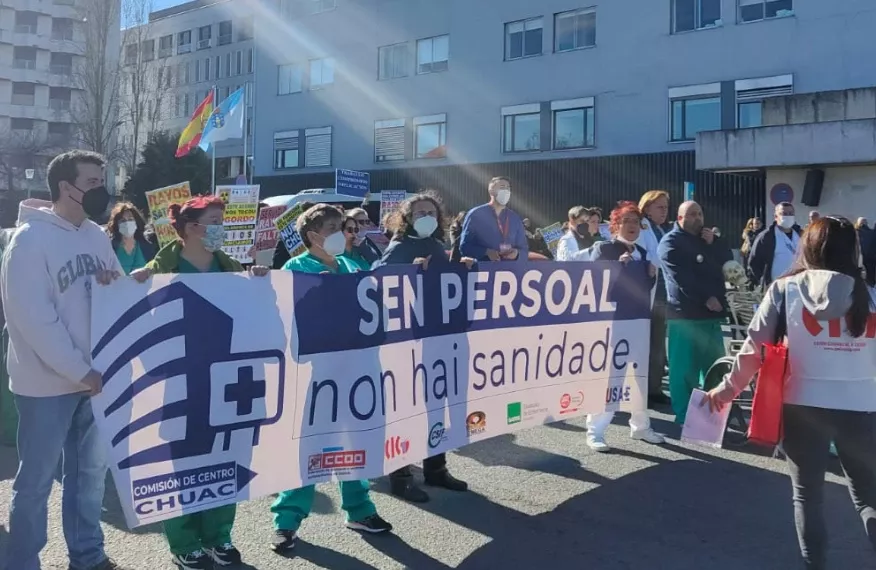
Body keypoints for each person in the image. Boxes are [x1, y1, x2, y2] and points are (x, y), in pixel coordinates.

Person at [702, 216, 876, 569]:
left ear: (807, 246)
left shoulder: (785, 289)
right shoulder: (869, 295)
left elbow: (753, 349)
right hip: (862, 408)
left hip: (802, 407)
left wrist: (726, 389)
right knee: (868, 498)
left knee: (808, 498)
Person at [0, 150, 130, 570]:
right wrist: (80, 370)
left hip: (95, 381)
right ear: (65, 188)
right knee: (36, 482)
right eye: (93, 182)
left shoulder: (95, 234)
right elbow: (36, 321)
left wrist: (115, 283)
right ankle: (22, 561)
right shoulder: (29, 242)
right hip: (47, 387)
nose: (102, 190)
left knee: (90, 477)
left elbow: (119, 291)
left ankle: (88, 556)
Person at [141, 195, 269, 570]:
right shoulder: (157, 270)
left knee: (226, 458)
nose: (222, 229)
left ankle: (218, 536)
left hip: (228, 383)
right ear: (192, 228)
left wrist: (258, 279)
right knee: (183, 461)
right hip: (180, 382)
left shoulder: (231, 269)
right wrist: (128, 284)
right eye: (216, 221)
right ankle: (184, 541)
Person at [272, 204, 392, 552]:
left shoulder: (354, 266)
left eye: (344, 226)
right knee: (309, 445)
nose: (345, 232)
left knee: (355, 442)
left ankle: (359, 509)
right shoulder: (295, 267)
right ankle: (287, 520)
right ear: (312, 235)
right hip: (314, 373)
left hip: (355, 370)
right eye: (334, 227)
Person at [372, 193, 473, 501]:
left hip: (439, 337)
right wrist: (405, 271)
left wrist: (466, 266)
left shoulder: (438, 246)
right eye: (419, 212)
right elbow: (376, 274)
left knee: (436, 404)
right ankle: (401, 475)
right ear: (408, 218)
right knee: (408, 407)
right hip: (409, 342)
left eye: (431, 211)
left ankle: (436, 467)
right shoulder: (401, 246)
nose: (426, 216)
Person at [584, 202, 666, 451]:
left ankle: (641, 426)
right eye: (627, 221)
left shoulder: (642, 252)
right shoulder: (603, 248)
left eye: (636, 222)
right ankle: (595, 430)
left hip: (639, 321)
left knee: (638, 376)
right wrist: (617, 266)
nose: (632, 226)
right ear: (616, 225)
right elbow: (595, 283)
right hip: (612, 322)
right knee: (609, 376)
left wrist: (651, 275)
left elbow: (644, 290)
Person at [658, 201, 732, 423]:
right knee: (684, 371)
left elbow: (726, 263)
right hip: (685, 315)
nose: (697, 218)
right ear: (679, 218)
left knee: (715, 366)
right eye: (691, 214)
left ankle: (713, 414)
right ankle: (685, 416)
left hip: (711, 315)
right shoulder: (671, 242)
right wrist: (705, 297)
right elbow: (681, 277)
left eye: (700, 213)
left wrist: (714, 243)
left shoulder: (708, 240)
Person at [636, 190, 673, 406]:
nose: (664, 211)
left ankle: (654, 385)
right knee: (654, 344)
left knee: (658, 344)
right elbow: (644, 254)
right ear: (647, 207)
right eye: (659, 207)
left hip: (662, 292)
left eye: (666, 207)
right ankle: (652, 389)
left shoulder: (660, 228)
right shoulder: (643, 227)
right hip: (651, 293)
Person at [459, 176, 528, 262]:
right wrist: (486, 252)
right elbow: (465, 246)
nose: (506, 191)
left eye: (508, 188)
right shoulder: (476, 215)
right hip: (484, 270)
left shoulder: (515, 218)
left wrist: (517, 254)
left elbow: (524, 250)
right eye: (502, 187)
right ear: (491, 191)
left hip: (510, 271)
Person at [749, 202, 803, 290]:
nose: (788, 217)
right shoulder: (766, 236)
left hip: (799, 285)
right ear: (776, 216)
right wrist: (763, 281)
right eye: (784, 214)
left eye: (790, 214)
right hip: (775, 286)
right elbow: (754, 261)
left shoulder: (801, 234)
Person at [105, 201, 156, 274]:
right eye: (122, 221)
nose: (127, 223)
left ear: (137, 222)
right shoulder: (110, 248)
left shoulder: (148, 246)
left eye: (130, 219)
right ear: (116, 224)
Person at [855, 217, 875, 286]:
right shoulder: (872, 233)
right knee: (871, 274)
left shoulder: (855, 232)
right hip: (871, 258)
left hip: (859, 257)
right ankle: (871, 285)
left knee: (858, 273)